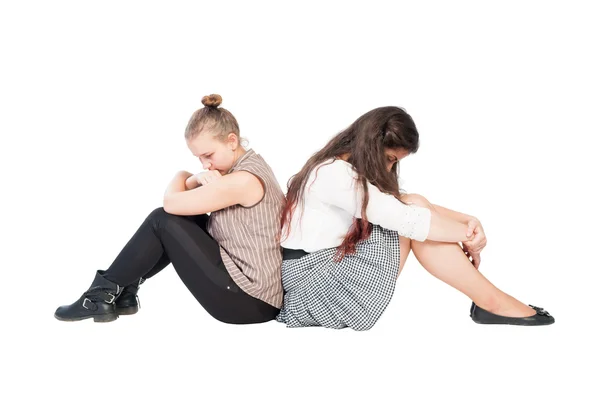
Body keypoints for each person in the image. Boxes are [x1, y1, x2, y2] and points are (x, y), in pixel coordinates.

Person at [276, 106, 555, 331]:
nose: (389, 167)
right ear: (369, 144)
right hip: (313, 284)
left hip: (329, 272)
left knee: (415, 204)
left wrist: (469, 221)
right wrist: (467, 237)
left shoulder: (344, 170)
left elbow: (403, 205)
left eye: (395, 161)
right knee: (410, 218)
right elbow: (403, 218)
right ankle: (492, 301)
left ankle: (490, 301)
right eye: (388, 157)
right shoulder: (331, 173)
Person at [55, 94, 284, 324]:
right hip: (250, 294)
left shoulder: (243, 181)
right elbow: (181, 200)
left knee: (162, 220)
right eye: (199, 158)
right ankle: (124, 293)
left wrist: (189, 177)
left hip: (249, 301)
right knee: (186, 217)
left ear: (232, 141)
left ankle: (99, 296)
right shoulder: (244, 169)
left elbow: (171, 202)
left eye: (208, 155)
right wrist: (196, 178)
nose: (206, 164)